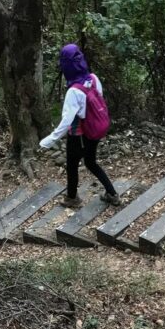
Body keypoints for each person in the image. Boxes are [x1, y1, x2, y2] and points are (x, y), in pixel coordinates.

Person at [40, 44, 120, 208]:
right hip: (95, 129)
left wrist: (49, 141)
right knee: (90, 162)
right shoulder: (93, 78)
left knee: (72, 165)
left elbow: (66, 121)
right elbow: (99, 99)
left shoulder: (74, 91)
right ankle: (112, 194)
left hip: (79, 135)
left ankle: (72, 198)